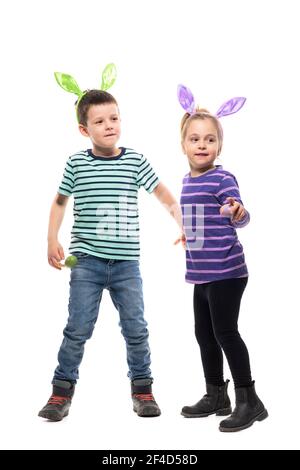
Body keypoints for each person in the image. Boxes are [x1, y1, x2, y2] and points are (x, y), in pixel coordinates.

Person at [38, 68, 182, 422]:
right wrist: (51, 238)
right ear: (84, 130)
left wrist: (185, 223)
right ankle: (60, 394)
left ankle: (143, 390)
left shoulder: (134, 160)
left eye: (114, 118)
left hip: (126, 265)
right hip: (84, 261)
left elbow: (162, 193)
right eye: (100, 121)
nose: (110, 125)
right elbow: (59, 201)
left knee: (136, 327)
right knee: (78, 328)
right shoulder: (76, 163)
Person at [176, 85, 268, 432]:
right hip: (202, 272)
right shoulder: (187, 180)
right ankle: (216, 394)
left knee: (226, 331)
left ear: (219, 145)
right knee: (204, 333)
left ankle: (250, 399)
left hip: (227, 271)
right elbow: (196, 218)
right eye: (195, 139)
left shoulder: (222, 177)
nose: (202, 146)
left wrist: (236, 212)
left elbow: (240, 216)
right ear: (183, 145)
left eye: (210, 140)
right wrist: (189, 235)